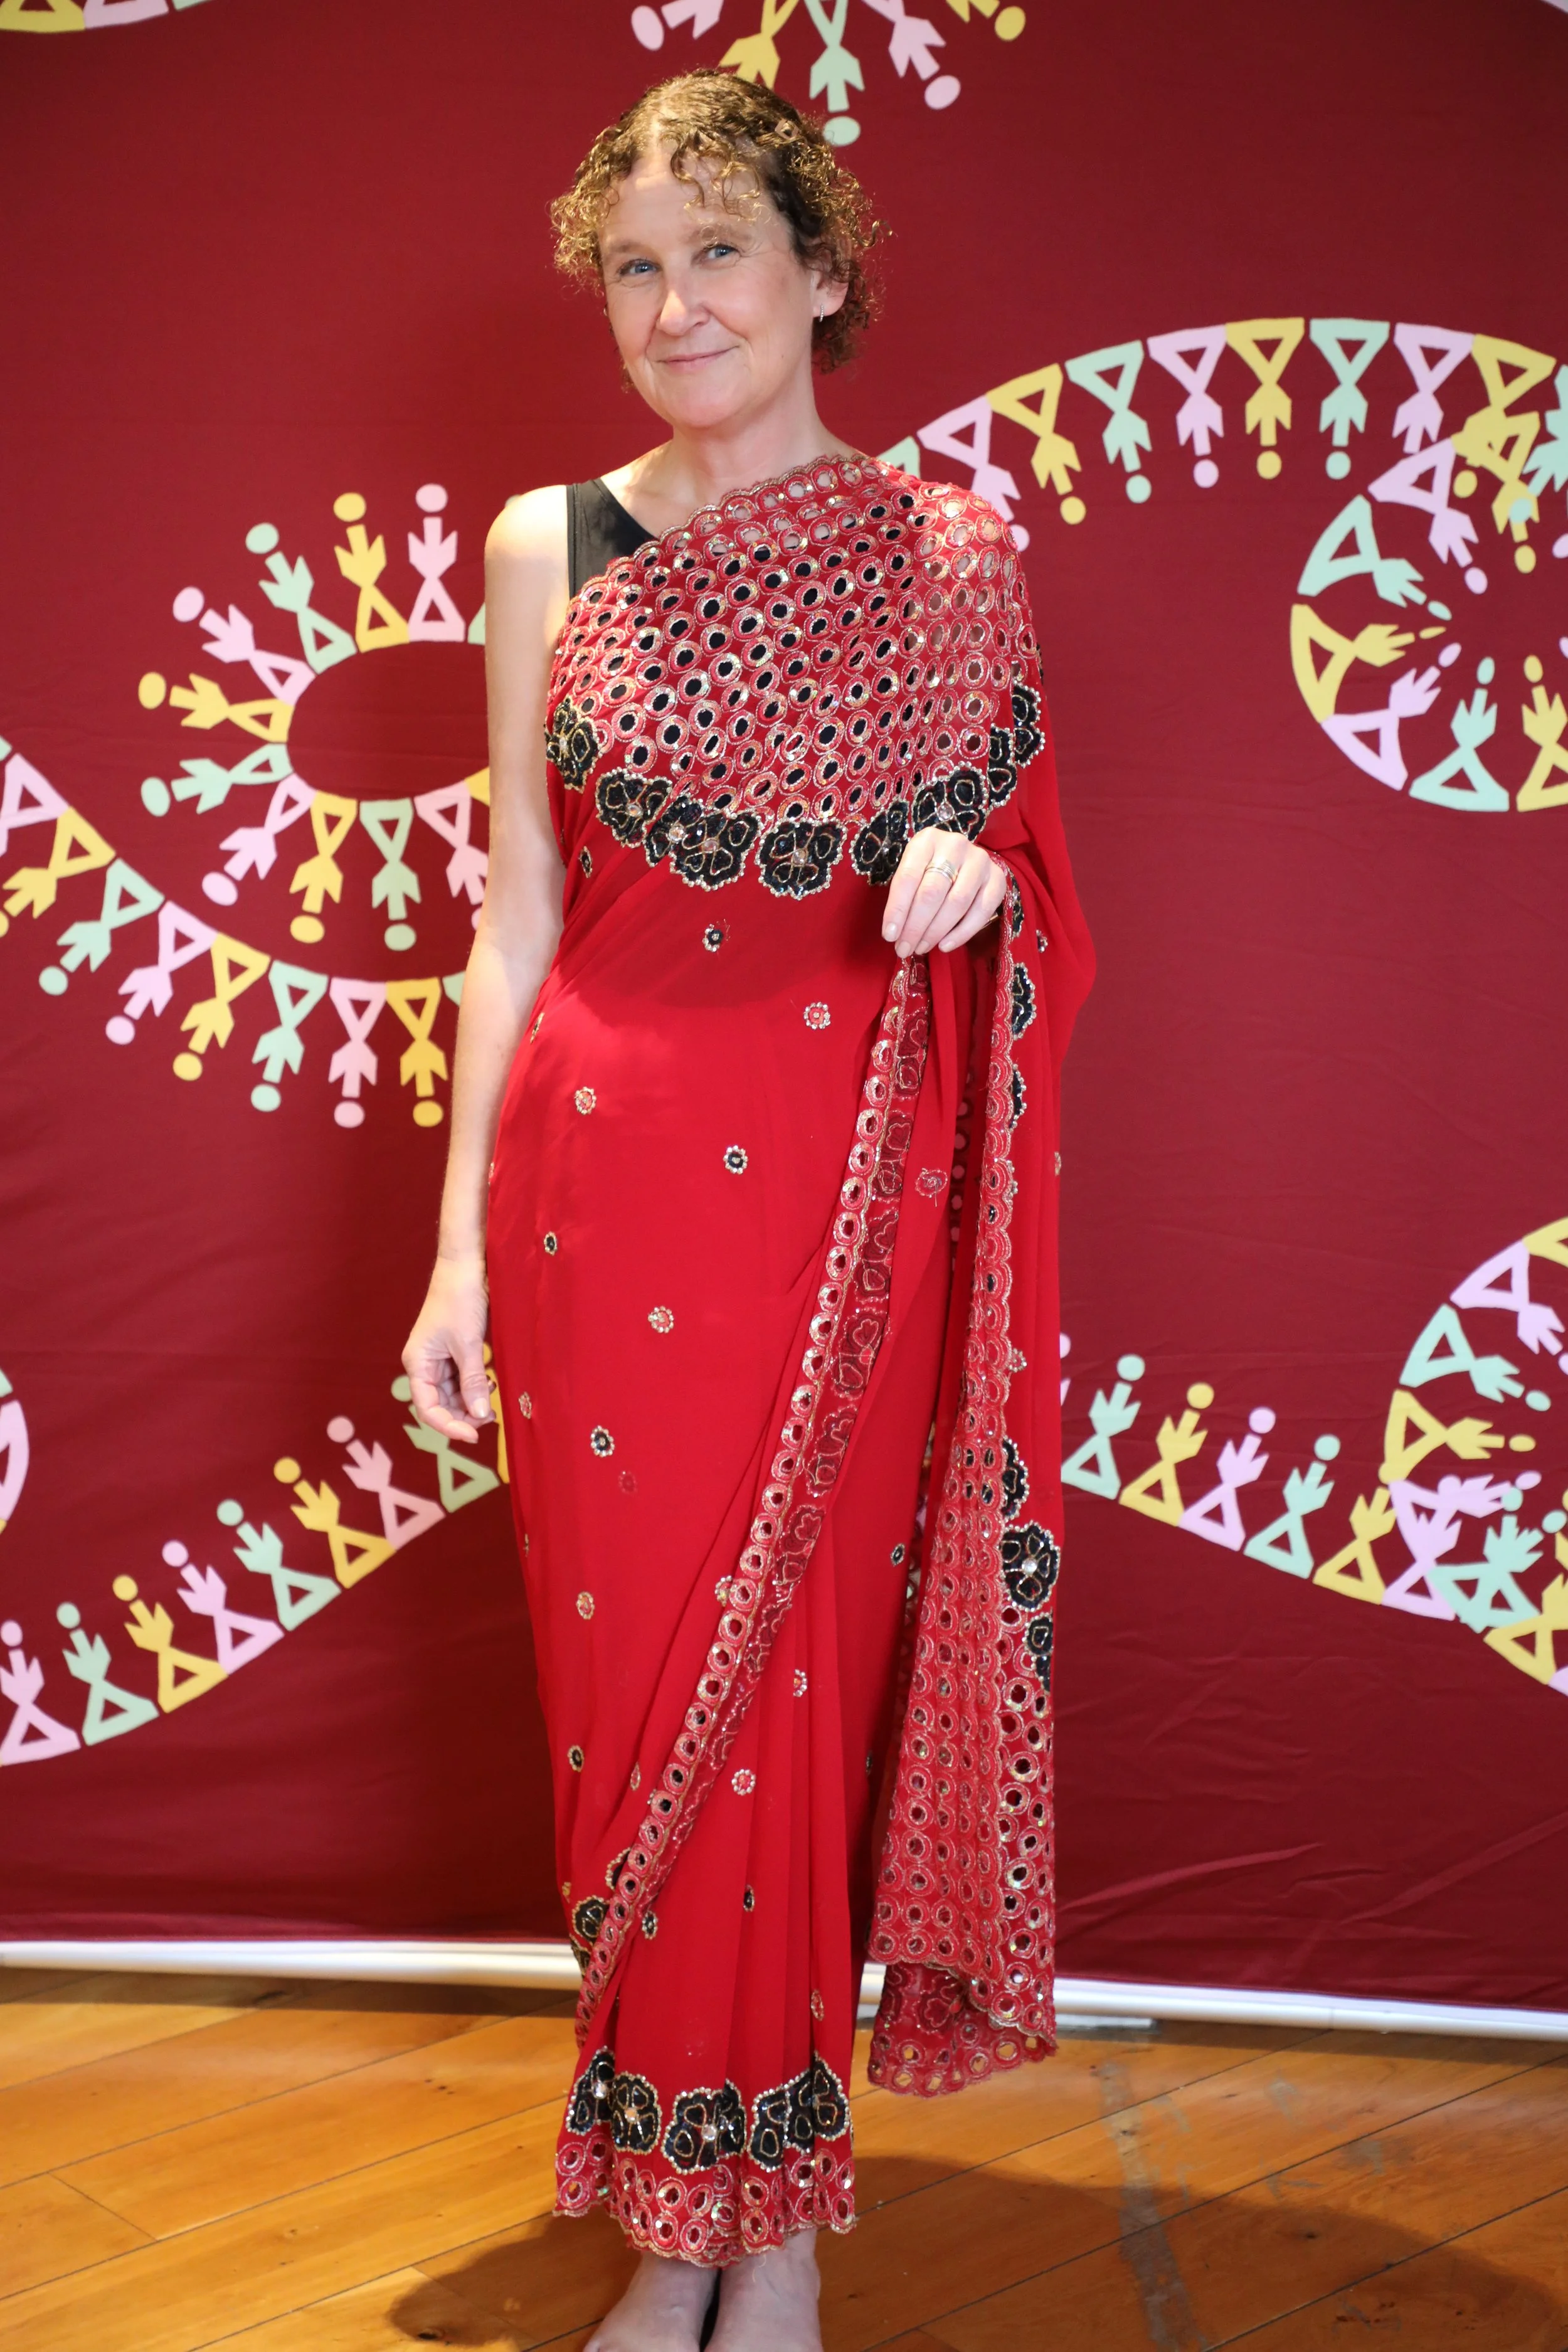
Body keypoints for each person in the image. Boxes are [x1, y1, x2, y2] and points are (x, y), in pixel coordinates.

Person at [401, 68, 1093, 2352]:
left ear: (818, 275)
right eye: (636, 262)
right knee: (636, 1713)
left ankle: (768, 2236)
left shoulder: (950, 550)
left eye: (720, 251)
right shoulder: (543, 547)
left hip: (839, 1197)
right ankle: (668, 2220)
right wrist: (451, 1251)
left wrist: (980, 879)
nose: (677, 301)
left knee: (796, 1697)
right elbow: (511, 907)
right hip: (601, 1195)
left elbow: (1037, 900)